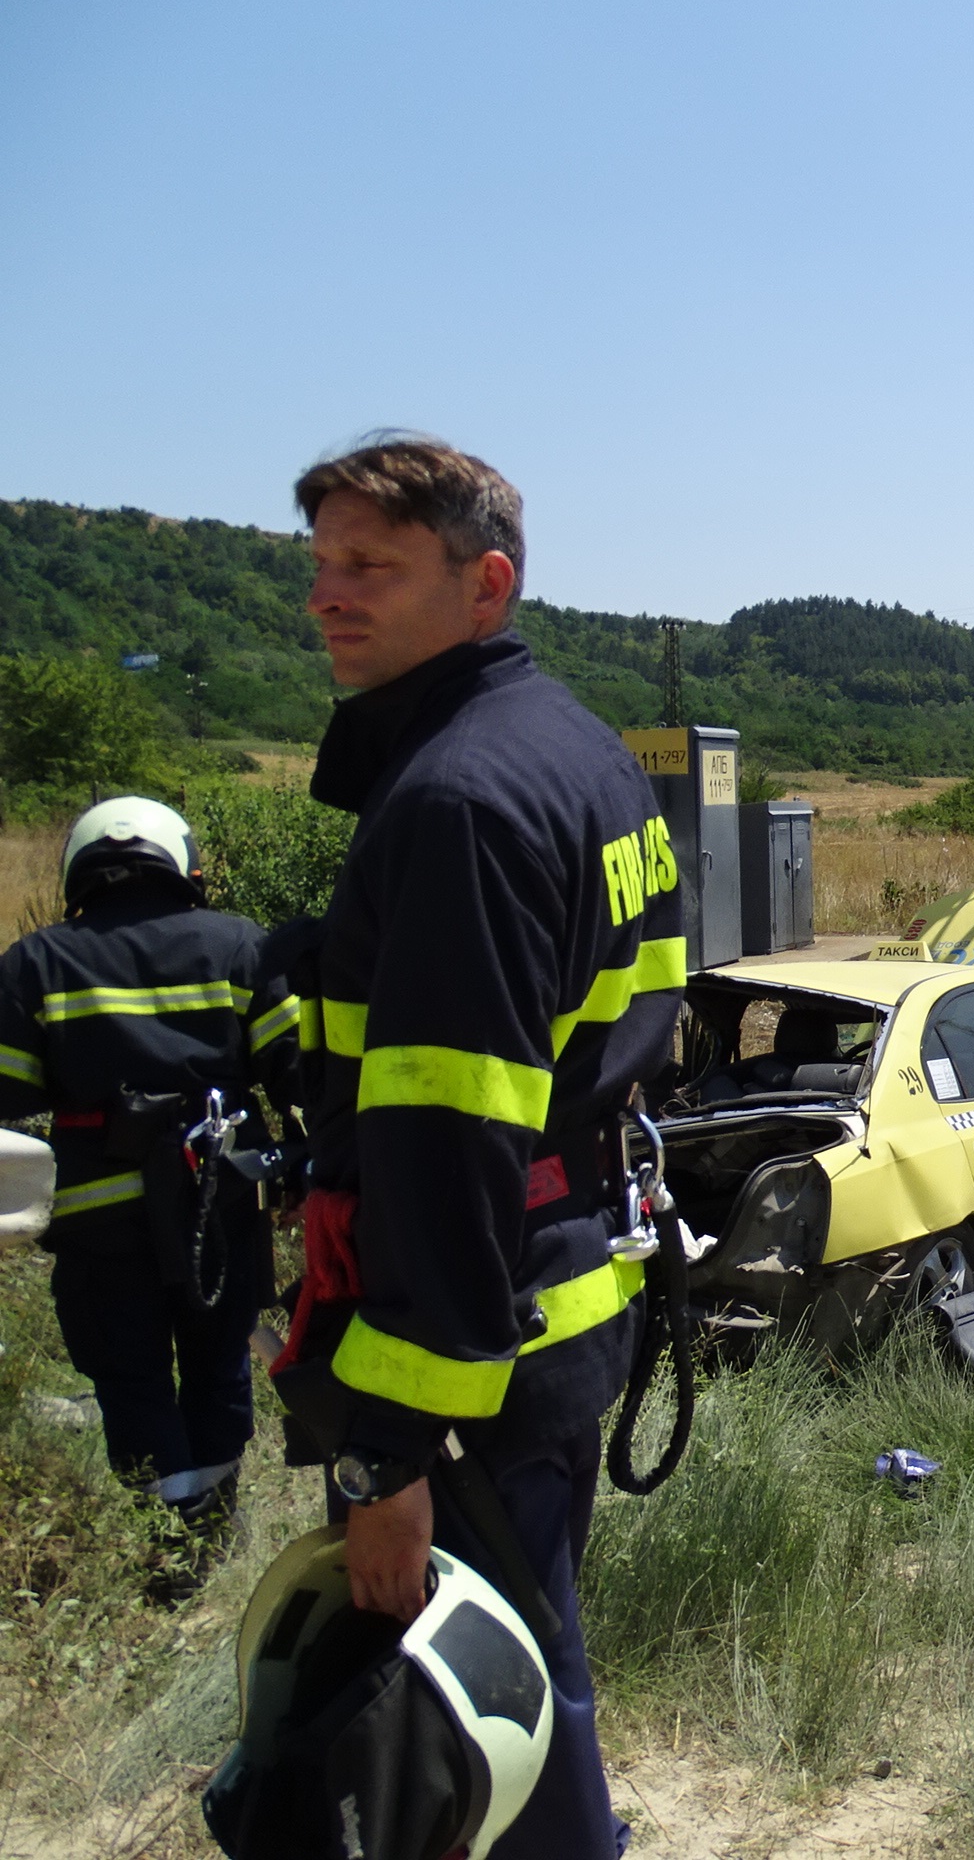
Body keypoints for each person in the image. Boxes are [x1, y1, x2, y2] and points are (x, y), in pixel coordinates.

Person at [272, 435, 684, 1860]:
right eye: (320, 564)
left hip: (468, 1358)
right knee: (531, 1661)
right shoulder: (579, 751)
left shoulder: (458, 799)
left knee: (469, 1700)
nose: (328, 594)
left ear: (485, 583)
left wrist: (381, 1462)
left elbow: (450, 1152)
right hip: (560, 1302)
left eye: (372, 566)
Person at [0, 799, 299, 1531]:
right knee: (219, 1359)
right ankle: (215, 1520)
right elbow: (298, 1072)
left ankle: (172, 1528)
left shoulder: (34, 962)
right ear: (182, 862)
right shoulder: (241, 947)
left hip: (97, 1212)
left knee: (127, 1374)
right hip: (219, 1199)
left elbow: (9, 1091)